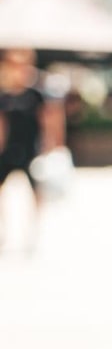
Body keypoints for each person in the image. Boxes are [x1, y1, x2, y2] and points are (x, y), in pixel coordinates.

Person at [0, 49, 63, 253]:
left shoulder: (36, 94)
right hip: (8, 152)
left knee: (36, 194)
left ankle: (32, 234)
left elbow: (50, 119)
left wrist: (53, 145)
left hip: (31, 152)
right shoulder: (5, 95)